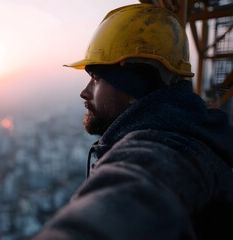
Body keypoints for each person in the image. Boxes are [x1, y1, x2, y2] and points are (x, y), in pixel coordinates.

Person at [30, 3, 233, 240]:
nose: (84, 92)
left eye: (96, 78)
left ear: (131, 89)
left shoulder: (166, 149)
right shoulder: (196, 134)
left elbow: (135, 186)